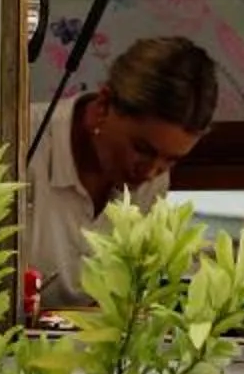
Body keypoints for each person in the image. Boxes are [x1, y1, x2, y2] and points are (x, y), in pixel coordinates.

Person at [21, 35, 220, 308]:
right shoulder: (23, 141)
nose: (151, 171)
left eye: (171, 160)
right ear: (104, 105)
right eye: (142, 149)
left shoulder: (154, 180)